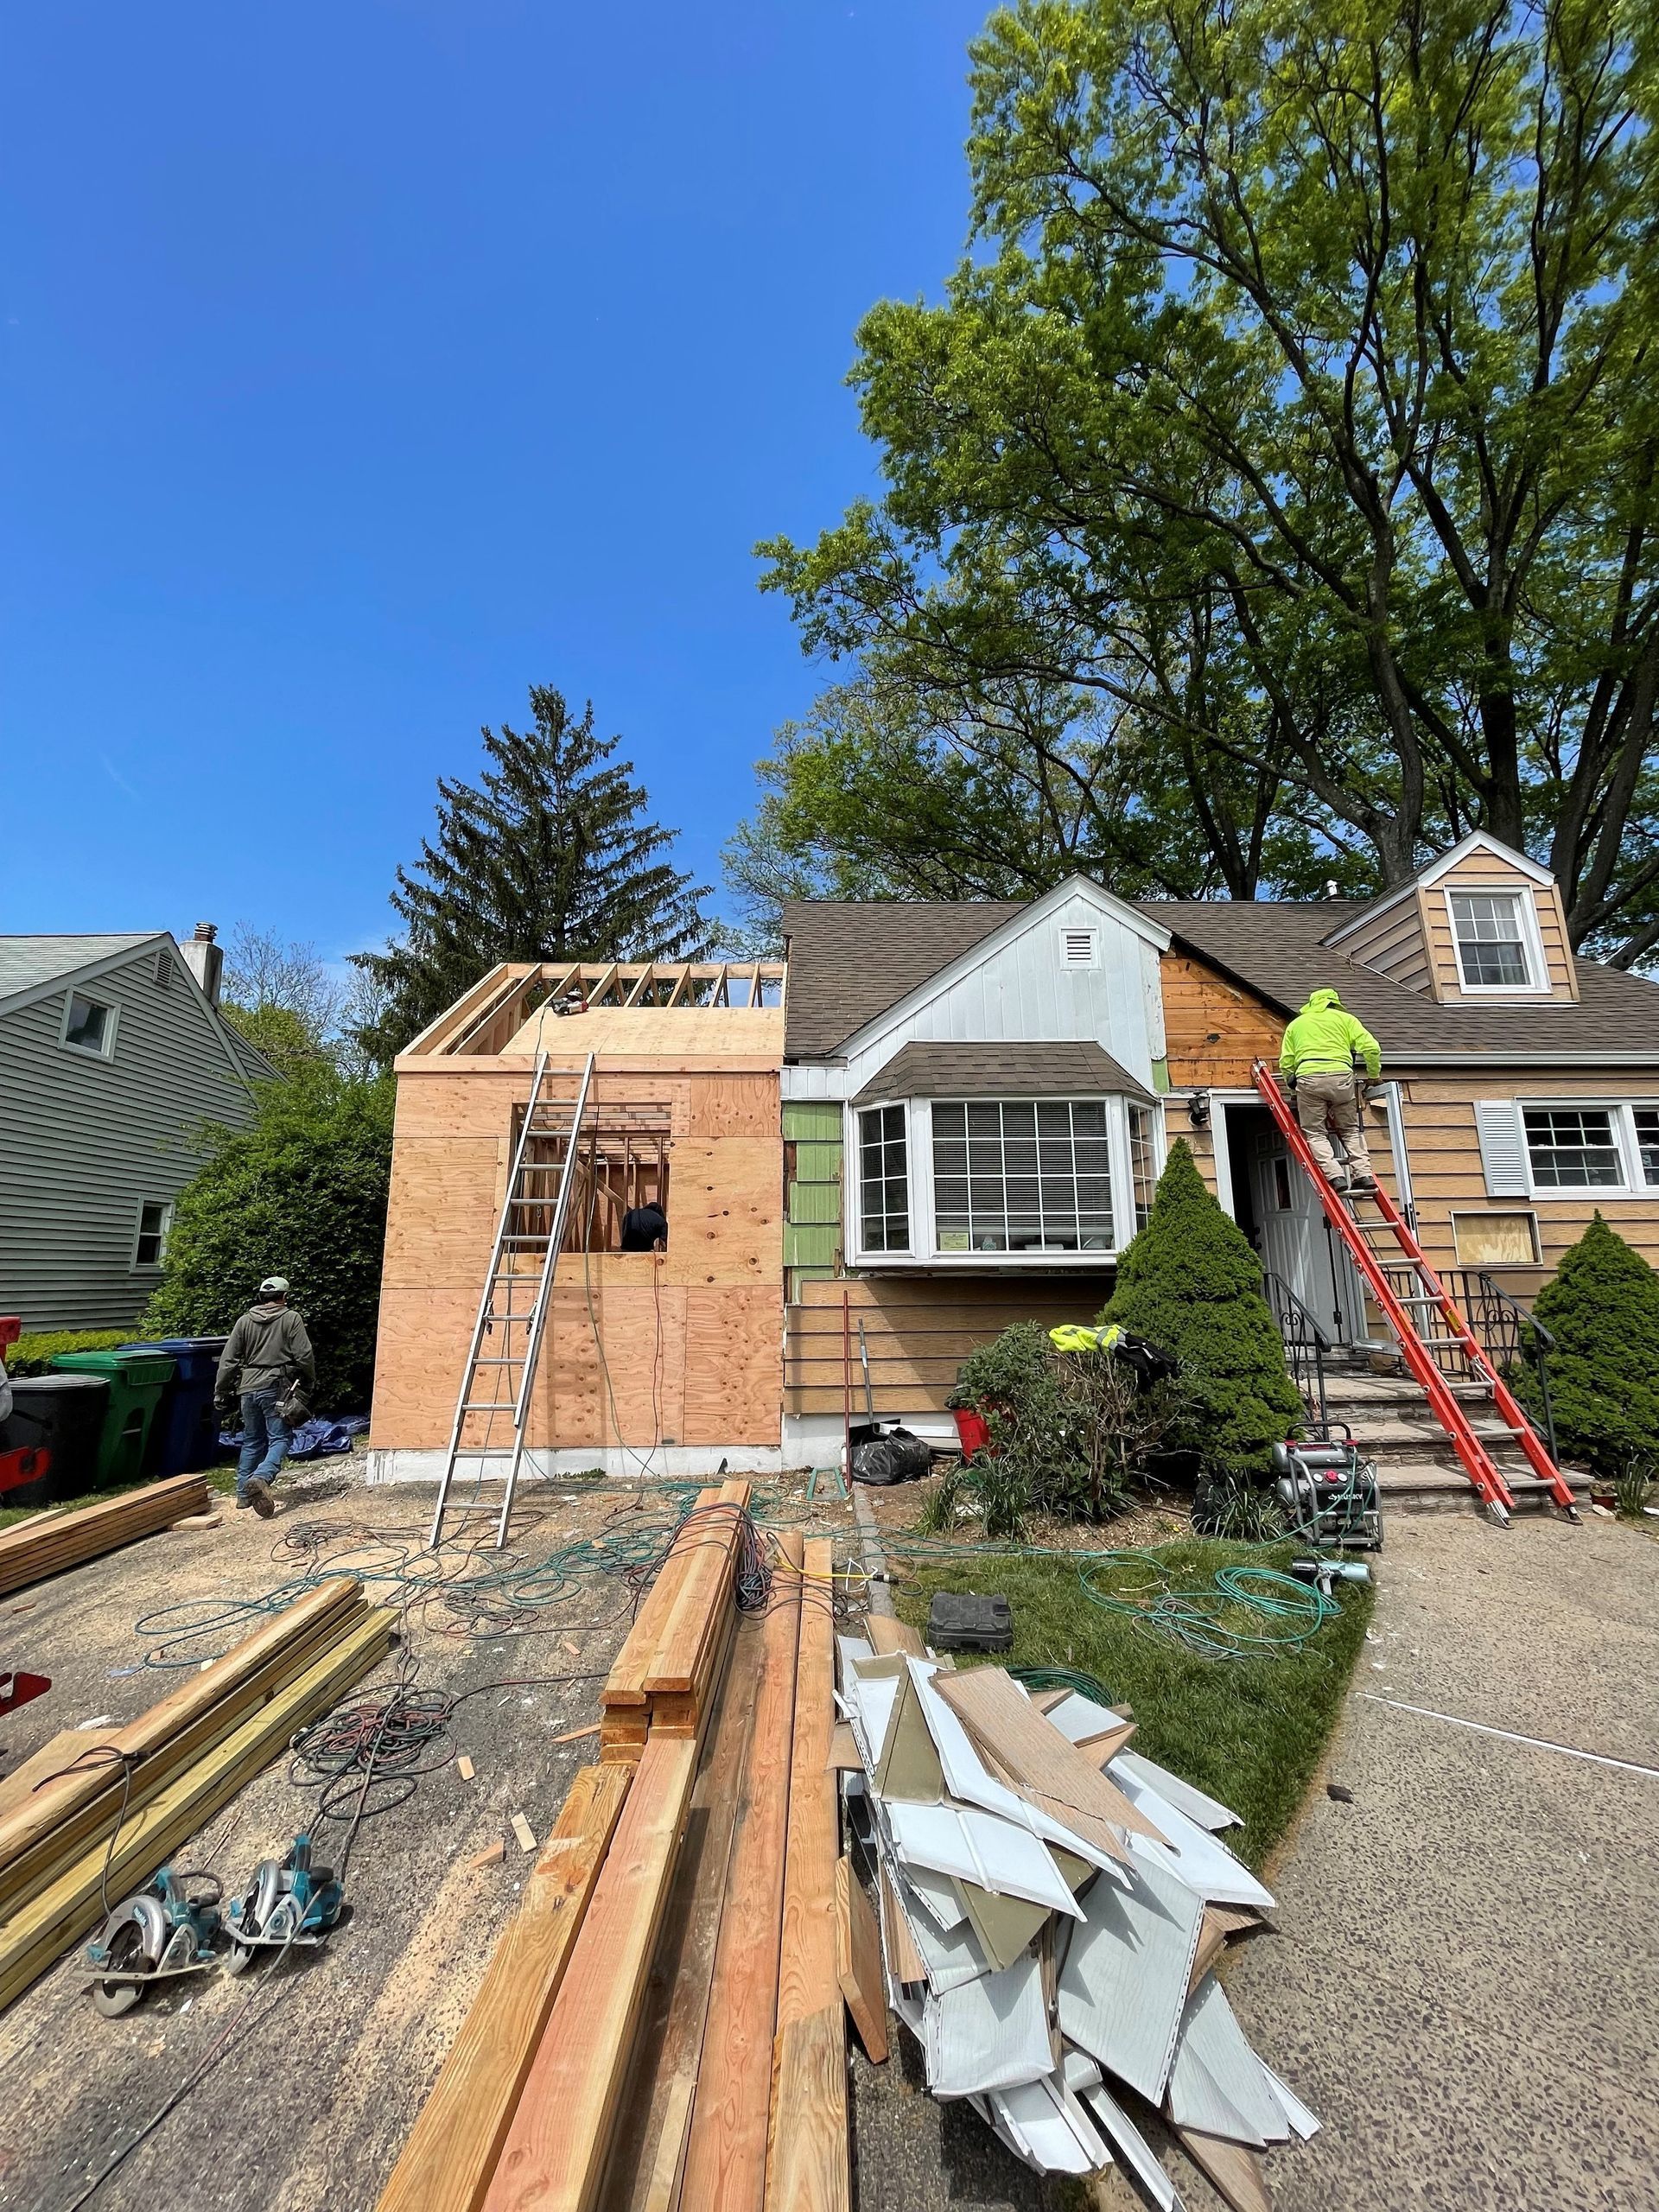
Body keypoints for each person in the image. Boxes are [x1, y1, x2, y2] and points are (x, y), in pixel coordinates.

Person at [214, 1276, 315, 1516]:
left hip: (247, 1387)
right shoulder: (291, 1318)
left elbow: (228, 1360)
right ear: (284, 1297)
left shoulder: (244, 1321)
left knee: (252, 1440)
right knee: (280, 1438)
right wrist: (310, 1380)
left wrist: (220, 1390)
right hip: (276, 1386)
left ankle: (242, 1494)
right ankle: (261, 1477)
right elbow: (304, 1354)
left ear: (260, 1297)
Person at [1278, 988, 1382, 1192]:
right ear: (1335, 1003)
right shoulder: (1346, 1019)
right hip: (1342, 1078)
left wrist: (1292, 1091)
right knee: (1351, 1129)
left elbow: (1286, 1062)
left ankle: (1335, 1176)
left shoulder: (1297, 1025)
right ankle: (1363, 1173)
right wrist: (1373, 1075)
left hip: (1309, 1078)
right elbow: (1372, 1048)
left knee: (1316, 1133)